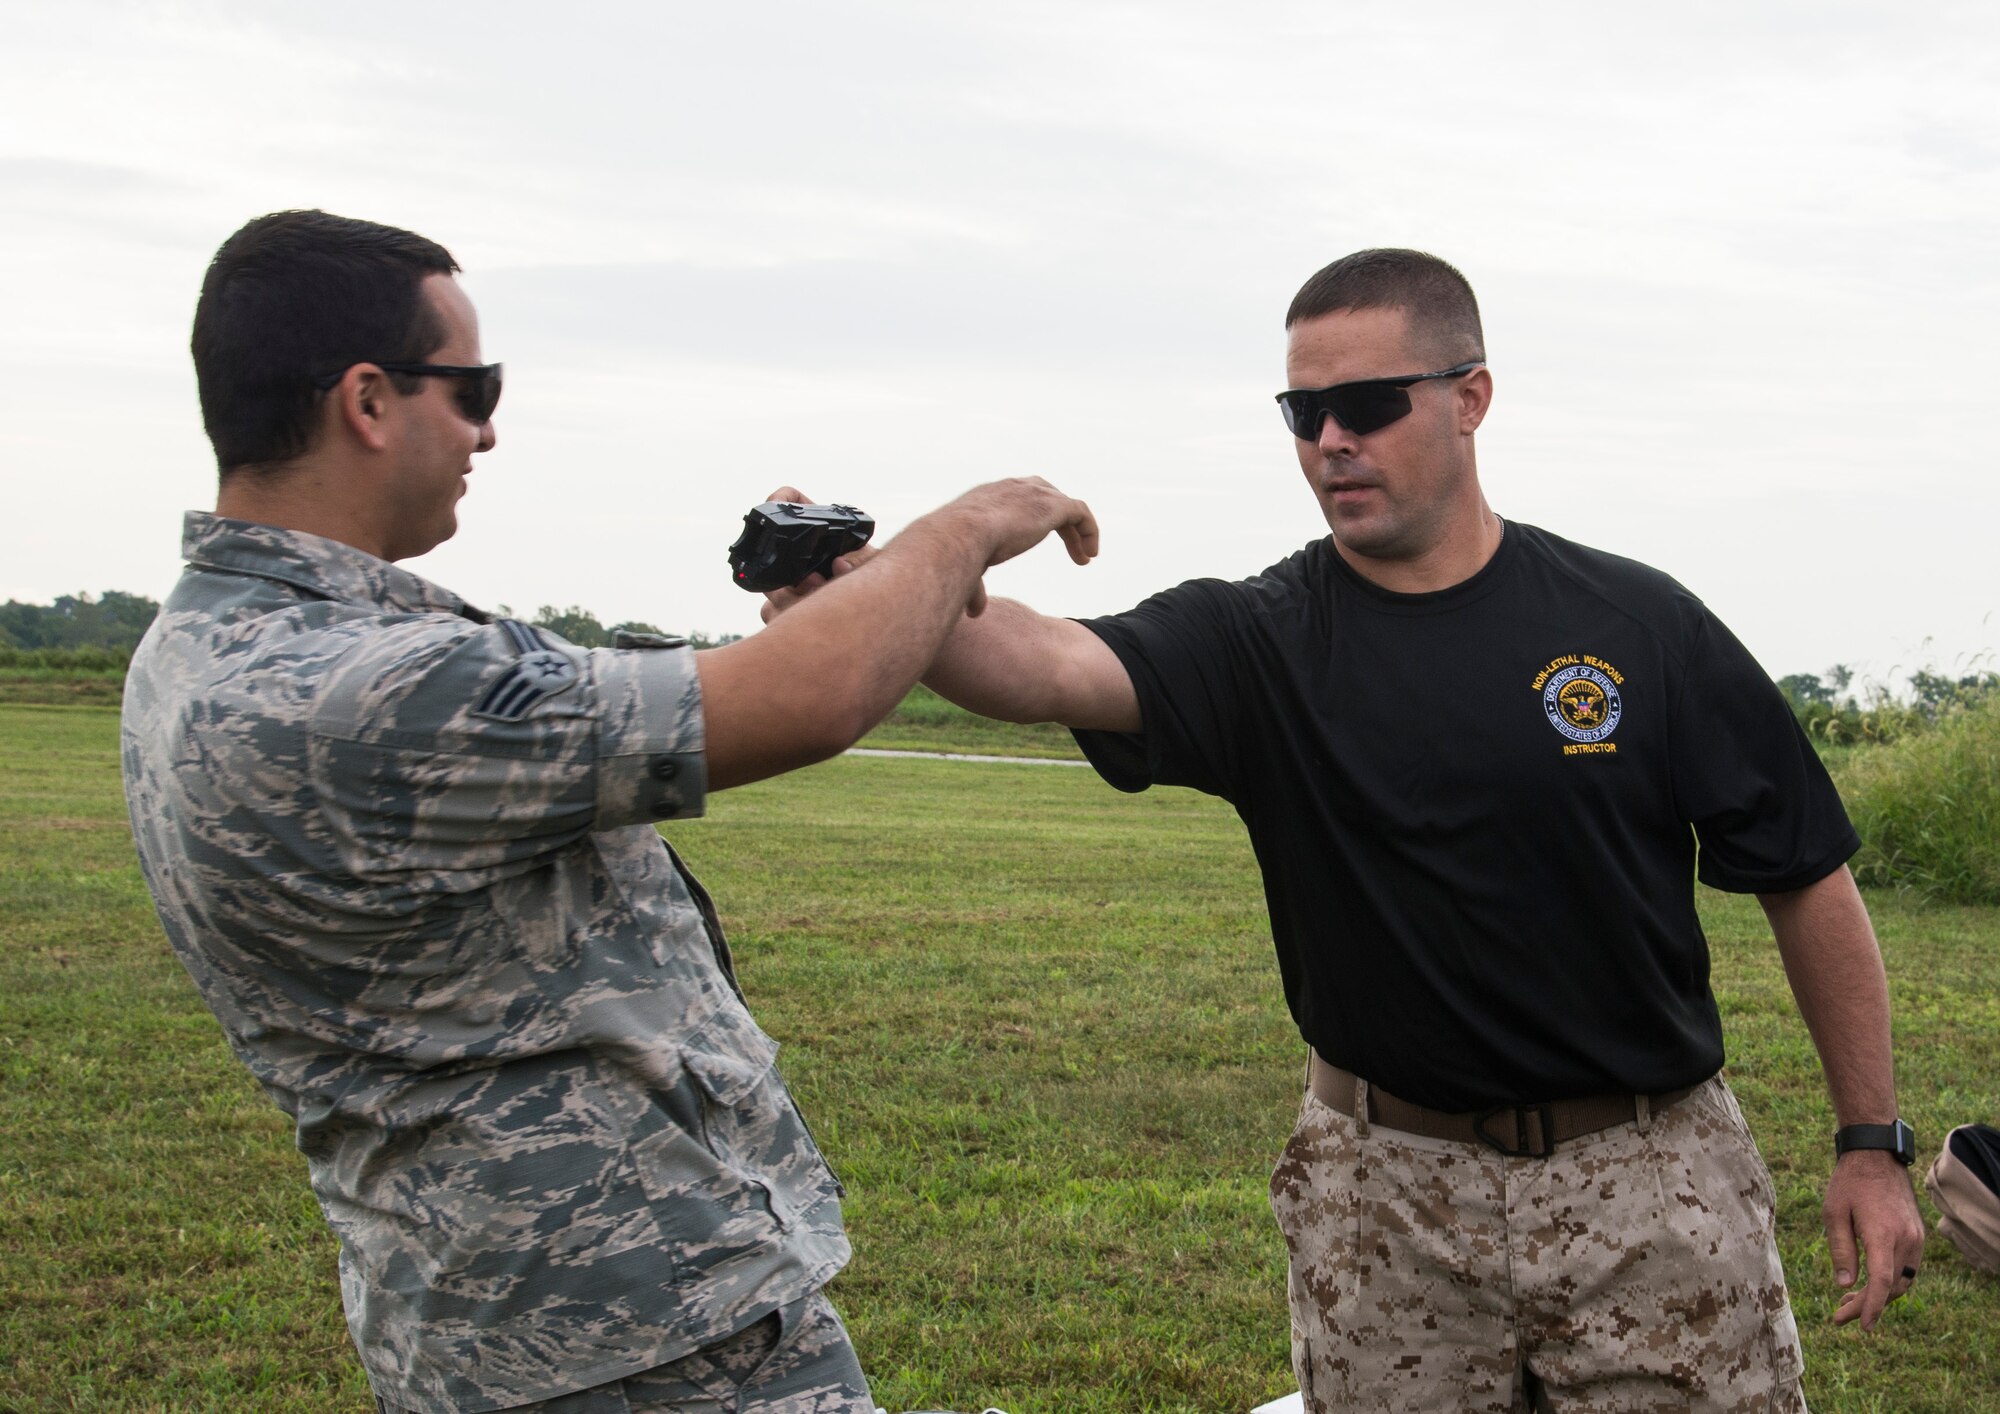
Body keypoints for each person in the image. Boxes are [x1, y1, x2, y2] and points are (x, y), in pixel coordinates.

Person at [775, 249, 1927, 1411]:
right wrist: (875, 575)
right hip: (1383, 1193)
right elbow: (1037, 661)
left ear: (1469, 397)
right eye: (1302, 411)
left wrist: (1867, 1144)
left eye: (1368, 404)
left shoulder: (1636, 625)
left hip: (1645, 1180)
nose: (1331, 438)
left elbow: (1803, 876)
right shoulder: (1260, 640)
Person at [120, 209, 1095, 1414]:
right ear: (367, 400)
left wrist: (845, 601)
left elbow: (574, 700)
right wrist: (970, 527)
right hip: (626, 1334)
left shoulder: (221, 646)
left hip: (493, 1314)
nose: (487, 427)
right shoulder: (346, 688)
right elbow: (806, 699)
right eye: (471, 386)